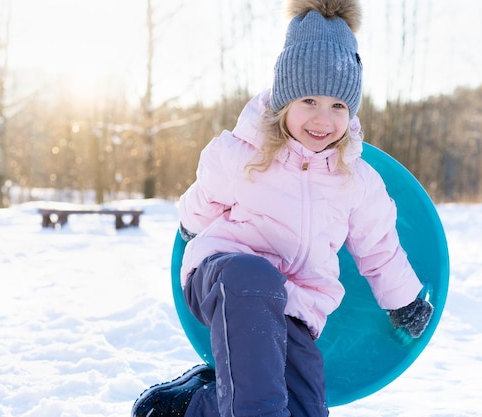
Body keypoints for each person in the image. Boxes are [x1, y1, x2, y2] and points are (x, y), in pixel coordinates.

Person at [132, 0, 433, 416]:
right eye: (309, 99)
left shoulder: (358, 181)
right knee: (254, 279)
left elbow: (379, 245)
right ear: (284, 99)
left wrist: (404, 300)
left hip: (295, 311)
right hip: (226, 282)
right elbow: (203, 199)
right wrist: (189, 228)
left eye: (338, 105)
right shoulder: (244, 153)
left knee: (302, 409)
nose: (323, 118)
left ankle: (194, 404)